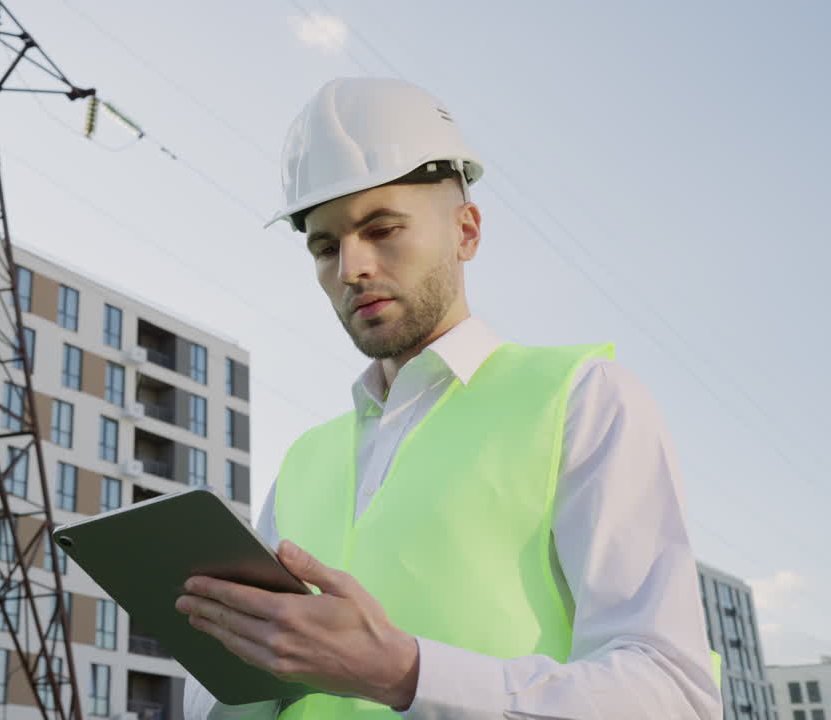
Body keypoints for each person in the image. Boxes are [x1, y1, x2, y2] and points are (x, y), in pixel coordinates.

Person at [176, 77, 722, 719]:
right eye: (325, 246)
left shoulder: (583, 401)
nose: (351, 266)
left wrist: (403, 673)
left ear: (466, 232)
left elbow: (672, 698)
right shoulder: (305, 459)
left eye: (381, 228)